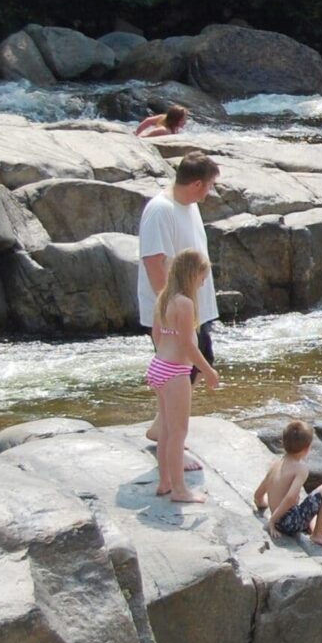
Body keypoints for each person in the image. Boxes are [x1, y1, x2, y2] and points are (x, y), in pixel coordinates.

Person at [139, 153, 222, 471]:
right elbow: (154, 262)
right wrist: (170, 311)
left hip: (192, 308)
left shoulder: (190, 205)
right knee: (177, 375)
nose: (209, 192)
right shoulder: (160, 210)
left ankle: (163, 427)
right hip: (173, 311)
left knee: (199, 365)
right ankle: (170, 439)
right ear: (197, 183)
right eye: (209, 186)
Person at [147, 249, 220, 502]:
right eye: (202, 276)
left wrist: (166, 356)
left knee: (166, 429)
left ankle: (165, 481)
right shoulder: (185, 304)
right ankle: (180, 490)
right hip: (175, 372)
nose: (203, 282)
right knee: (179, 433)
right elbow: (190, 345)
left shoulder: (164, 299)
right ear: (192, 274)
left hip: (158, 366)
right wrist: (208, 372)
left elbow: (157, 336)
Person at [253, 420, 322, 551]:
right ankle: (318, 535)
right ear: (307, 448)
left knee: (311, 502)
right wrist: (272, 521)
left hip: (282, 520)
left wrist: (262, 503)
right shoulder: (300, 469)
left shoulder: (276, 463)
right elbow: (290, 498)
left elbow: (258, 494)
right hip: (288, 523)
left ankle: (316, 530)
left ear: (283, 442)